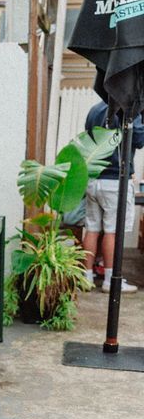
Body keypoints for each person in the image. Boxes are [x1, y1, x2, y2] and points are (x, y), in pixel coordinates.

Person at [82, 100, 144, 294]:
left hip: (93, 178)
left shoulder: (94, 110)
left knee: (91, 229)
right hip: (115, 180)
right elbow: (139, 139)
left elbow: (88, 139)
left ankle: (86, 277)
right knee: (112, 231)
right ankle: (111, 280)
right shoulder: (129, 109)